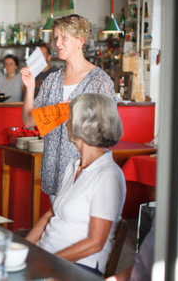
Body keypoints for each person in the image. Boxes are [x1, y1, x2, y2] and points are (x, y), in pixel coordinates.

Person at [25, 94, 126, 277]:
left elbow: (95, 242)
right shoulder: (74, 165)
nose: (66, 124)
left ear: (84, 124)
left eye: (70, 119)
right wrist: (25, 248)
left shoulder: (108, 175)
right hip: (48, 257)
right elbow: (51, 213)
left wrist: (48, 262)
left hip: (78, 266)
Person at [21, 14, 116, 202]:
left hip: (85, 172)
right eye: (56, 38)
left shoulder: (99, 81)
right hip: (54, 170)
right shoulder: (51, 80)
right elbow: (29, 121)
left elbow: (108, 130)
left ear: (80, 41)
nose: (58, 43)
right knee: (59, 225)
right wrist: (30, 88)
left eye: (64, 37)